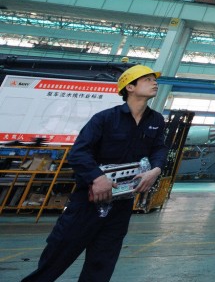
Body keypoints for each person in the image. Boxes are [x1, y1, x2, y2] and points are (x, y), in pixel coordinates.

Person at [22, 64, 168, 282]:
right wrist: (97, 178)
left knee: (102, 263)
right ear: (129, 86)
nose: (154, 82)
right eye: (147, 79)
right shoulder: (105, 118)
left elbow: (159, 149)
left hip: (121, 203)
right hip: (88, 201)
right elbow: (79, 152)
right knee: (57, 257)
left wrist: (154, 170)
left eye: (153, 79)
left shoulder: (156, 121)